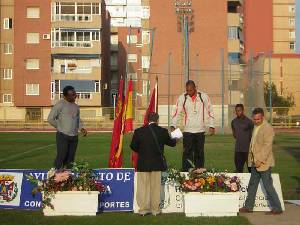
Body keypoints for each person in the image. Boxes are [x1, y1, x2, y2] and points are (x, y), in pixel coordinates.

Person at [130, 112, 176, 216]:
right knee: (156, 188)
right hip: (157, 163)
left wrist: (142, 151)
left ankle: (143, 210)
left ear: (147, 119)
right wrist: (175, 135)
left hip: (143, 163)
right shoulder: (162, 131)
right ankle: (155, 210)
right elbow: (172, 143)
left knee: (143, 187)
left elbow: (133, 146)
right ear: (157, 120)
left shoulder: (139, 131)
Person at [240, 108, 282, 215]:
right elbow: (254, 143)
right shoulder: (256, 126)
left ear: (262, 117)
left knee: (268, 185)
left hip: (264, 162)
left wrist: (260, 160)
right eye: (254, 119)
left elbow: (267, 146)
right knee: (252, 184)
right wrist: (253, 160)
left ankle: (277, 208)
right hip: (254, 161)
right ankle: (248, 207)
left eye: (258, 119)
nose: (256, 121)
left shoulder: (268, 128)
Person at [170, 80, 215, 171]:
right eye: (187, 90)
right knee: (187, 153)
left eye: (190, 90)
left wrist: (212, 125)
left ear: (195, 88)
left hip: (200, 131)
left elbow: (210, 111)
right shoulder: (182, 97)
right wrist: (173, 125)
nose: (189, 92)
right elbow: (176, 112)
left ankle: (200, 174)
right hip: (187, 131)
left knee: (199, 153)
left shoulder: (203, 96)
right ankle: (186, 173)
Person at [48, 86, 87, 169]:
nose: (75, 96)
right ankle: (54, 176)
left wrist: (82, 128)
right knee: (61, 156)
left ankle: (68, 177)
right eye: (72, 95)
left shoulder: (76, 106)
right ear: (65, 96)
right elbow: (50, 119)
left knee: (70, 159)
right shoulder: (60, 105)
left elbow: (77, 119)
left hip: (74, 137)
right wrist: (60, 127)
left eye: (75, 94)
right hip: (63, 136)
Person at [231, 104, 254, 173]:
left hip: (248, 150)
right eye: (236, 111)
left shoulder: (249, 122)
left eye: (239, 110)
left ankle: (252, 184)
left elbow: (253, 135)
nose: (238, 112)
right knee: (238, 171)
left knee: (251, 171)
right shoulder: (233, 122)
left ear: (243, 110)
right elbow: (234, 135)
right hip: (238, 151)